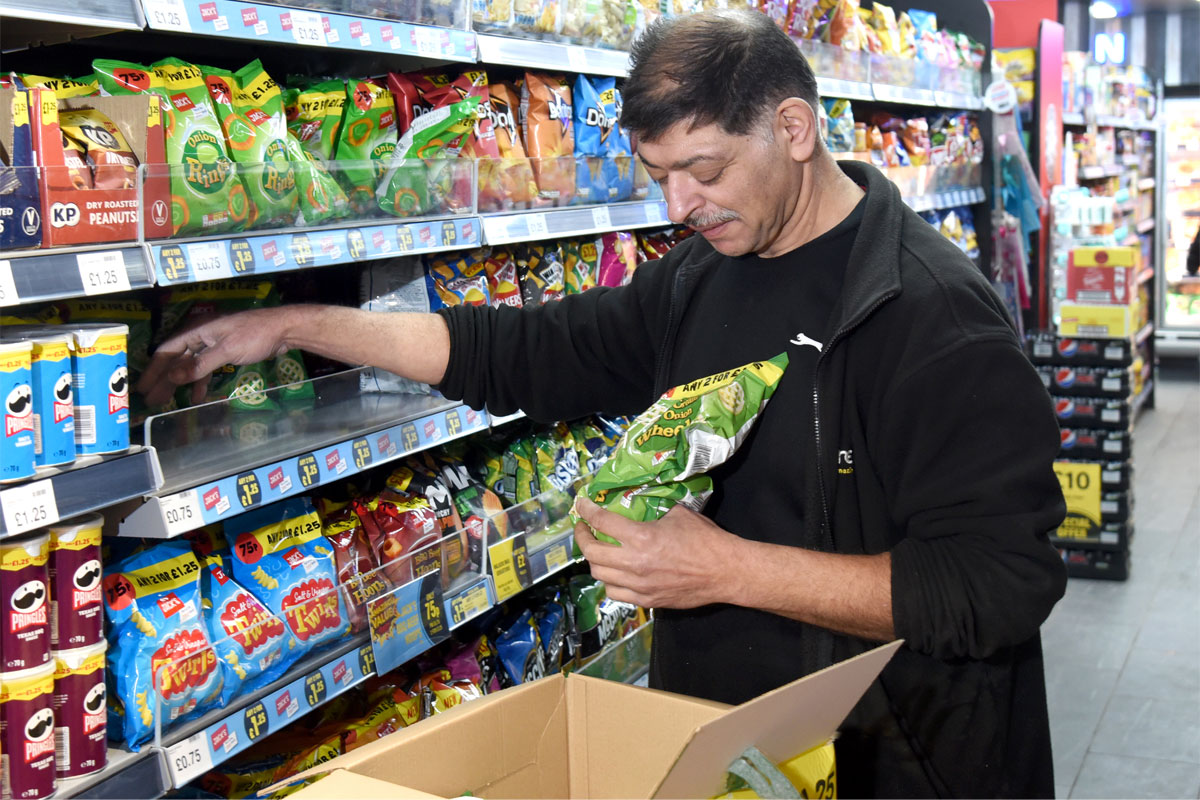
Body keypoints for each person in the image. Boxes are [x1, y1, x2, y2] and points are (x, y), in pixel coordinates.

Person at [140, 10, 1067, 797]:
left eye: (703, 169)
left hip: (895, 758)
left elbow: (996, 586)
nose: (679, 205)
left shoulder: (932, 318)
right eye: (658, 174)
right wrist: (298, 325)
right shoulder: (705, 275)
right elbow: (529, 352)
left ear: (794, 127)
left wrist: (726, 570)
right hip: (732, 752)